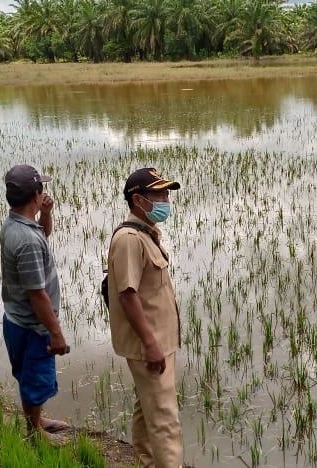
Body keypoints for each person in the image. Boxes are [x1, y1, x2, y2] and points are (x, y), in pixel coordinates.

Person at [106, 168, 184, 468]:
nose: (166, 200)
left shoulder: (146, 234)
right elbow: (128, 295)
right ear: (138, 200)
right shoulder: (129, 239)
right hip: (150, 346)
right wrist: (151, 344)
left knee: (146, 406)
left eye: (167, 193)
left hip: (159, 342)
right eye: (160, 194)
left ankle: (145, 461)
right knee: (166, 420)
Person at [0, 164, 71, 444]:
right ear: (36, 194)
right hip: (33, 326)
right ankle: (34, 434)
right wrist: (55, 333)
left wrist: (46, 214)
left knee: (28, 377)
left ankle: (36, 419)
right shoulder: (27, 240)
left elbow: (44, 234)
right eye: (41, 187)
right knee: (36, 381)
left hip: (18, 320)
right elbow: (37, 294)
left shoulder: (16, 224)